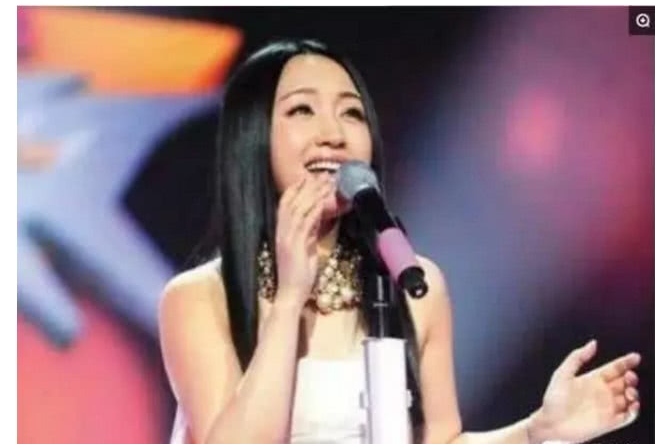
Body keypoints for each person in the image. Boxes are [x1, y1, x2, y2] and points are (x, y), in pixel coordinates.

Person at [158, 39, 641, 444]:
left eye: (352, 114)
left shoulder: (412, 283)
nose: (334, 134)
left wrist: (537, 431)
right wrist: (288, 300)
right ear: (252, 137)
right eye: (302, 110)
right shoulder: (201, 297)